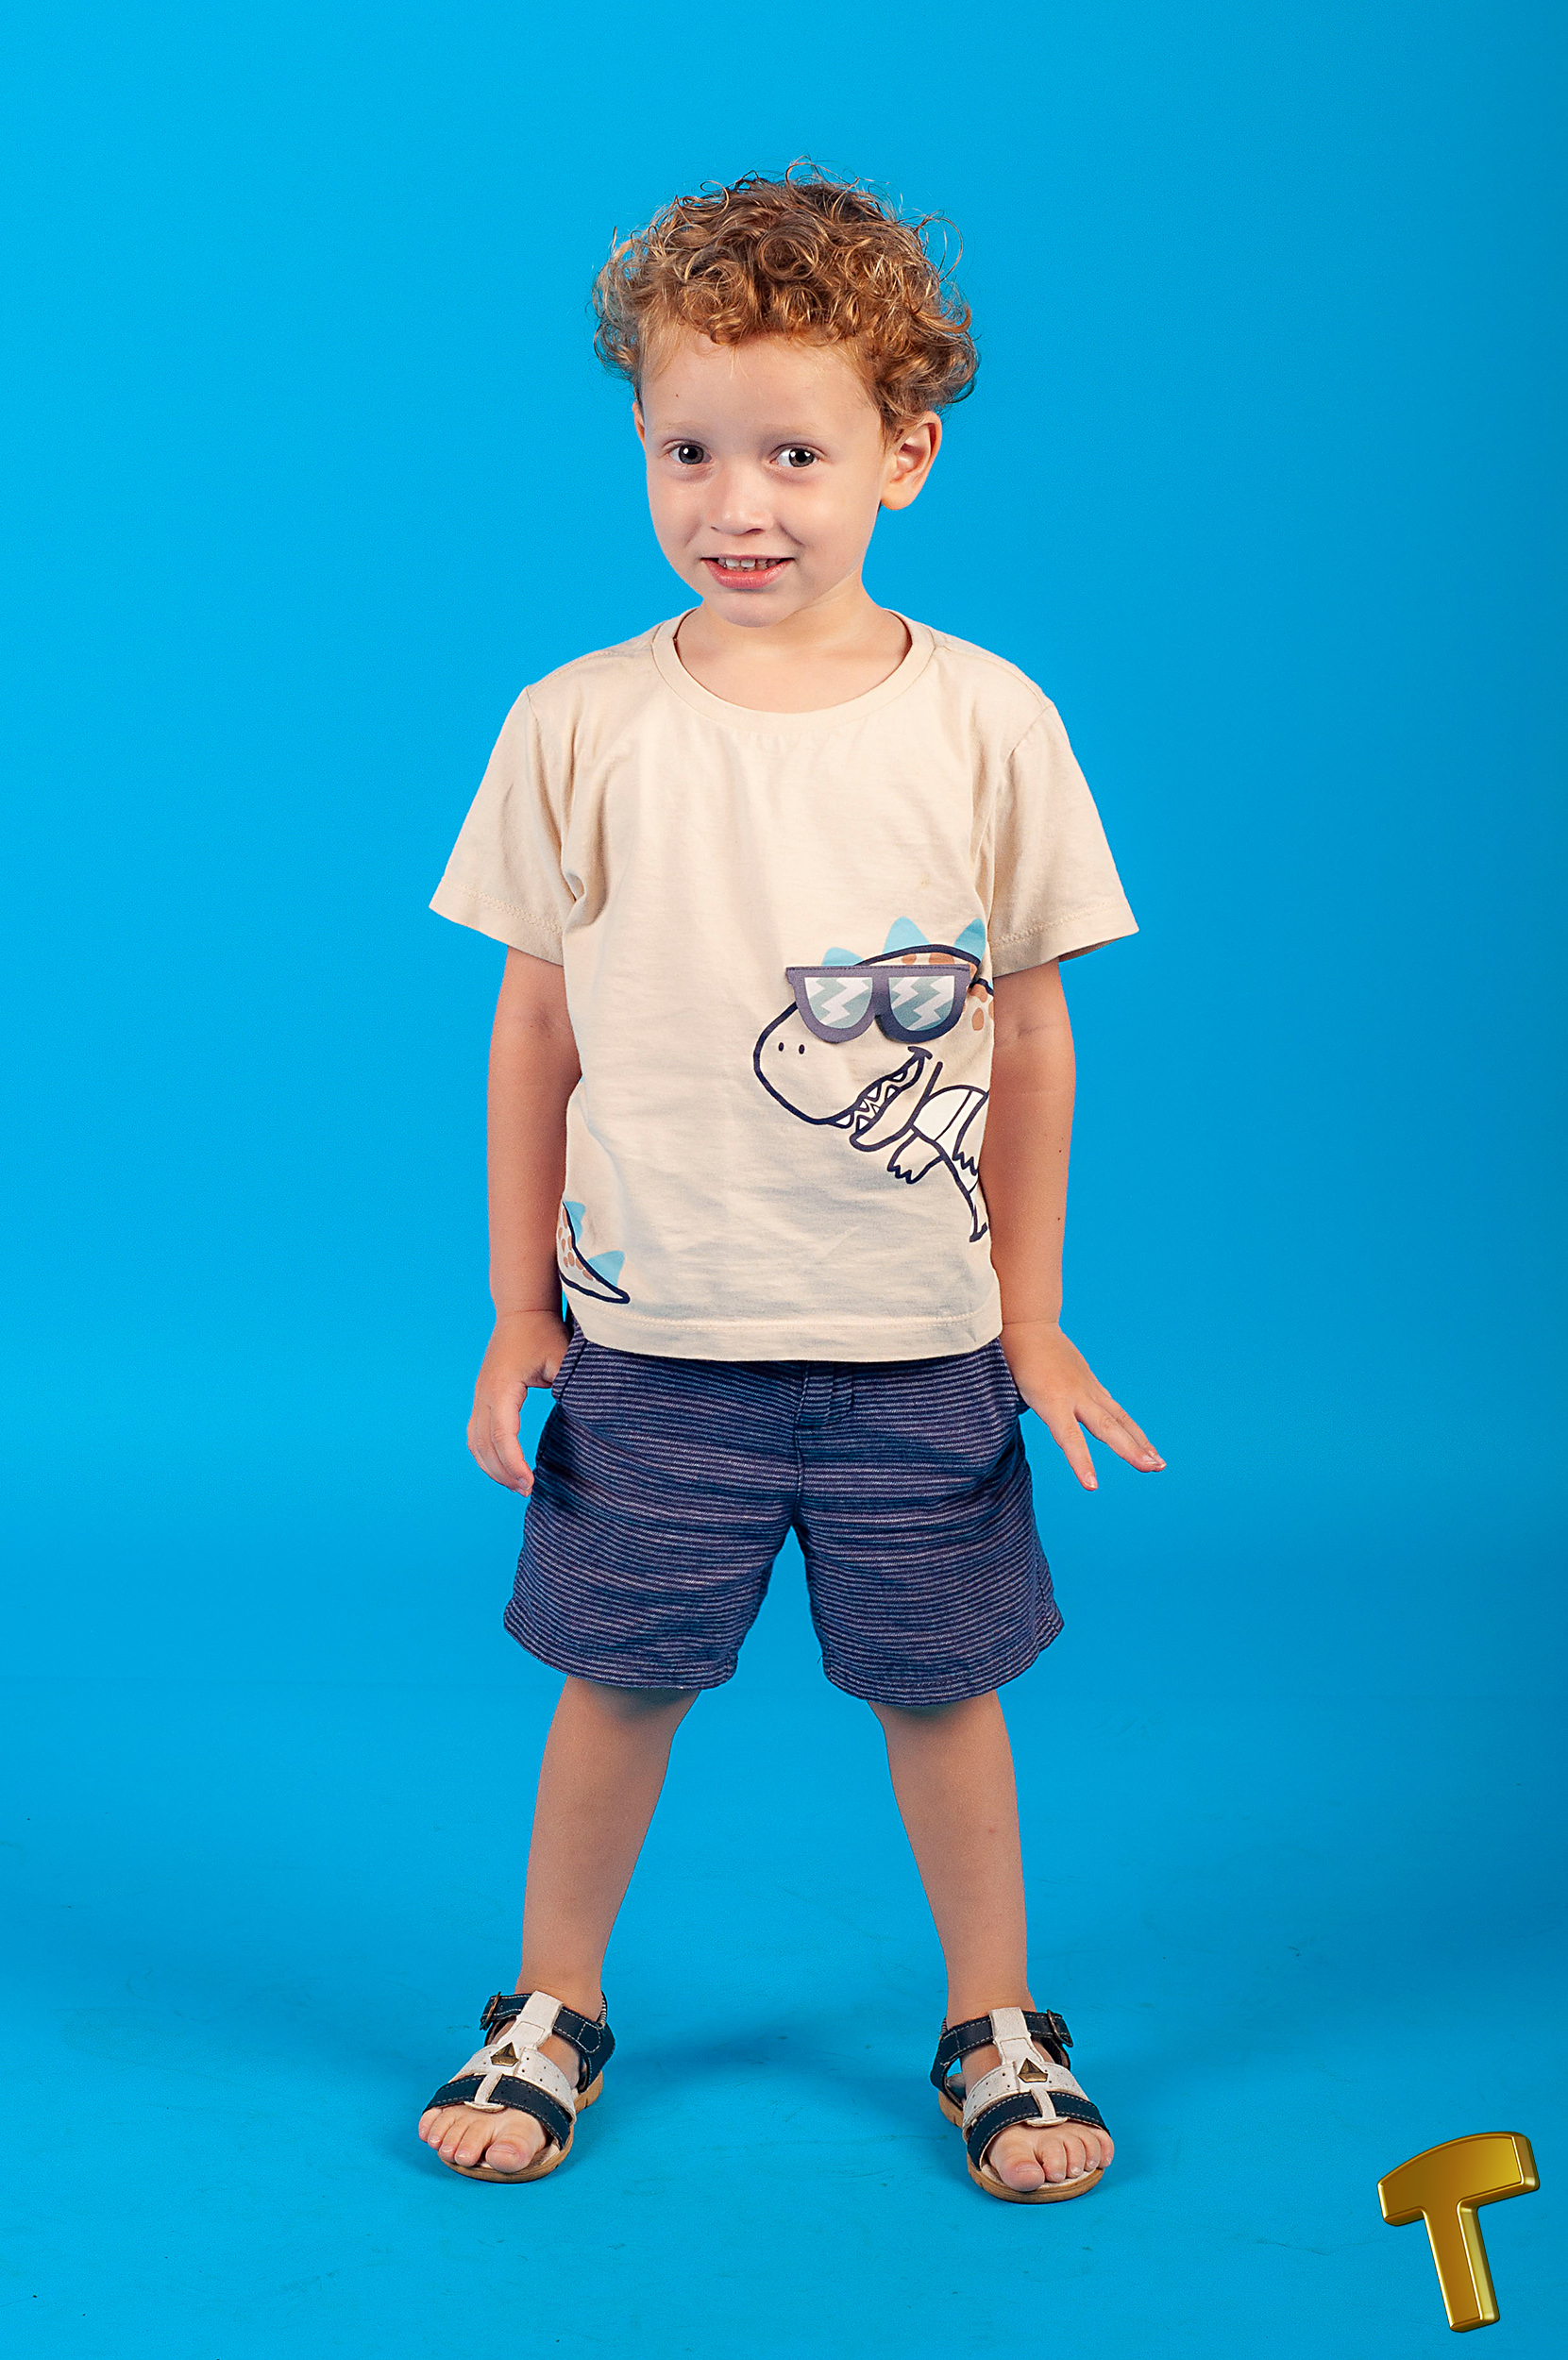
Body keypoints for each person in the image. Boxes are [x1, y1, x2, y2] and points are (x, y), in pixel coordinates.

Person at [416, 167, 1162, 2204]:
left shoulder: (989, 720)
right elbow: (534, 1032)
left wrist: (1030, 1317)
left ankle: (995, 2023)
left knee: (945, 1691)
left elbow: (1033, 1037)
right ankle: (551, 2004)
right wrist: (515, 1305)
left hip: (916, 1343)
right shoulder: (576, 723)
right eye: (688, 450)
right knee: (617, 1680)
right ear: (640, 440)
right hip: (655, 1342)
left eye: (795, 454)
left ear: (905, 453)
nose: (736, 502)